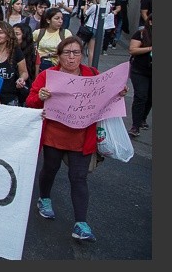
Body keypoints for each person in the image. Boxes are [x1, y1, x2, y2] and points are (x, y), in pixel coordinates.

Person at [26, 36, 127, 242]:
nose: (71, 58)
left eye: (76, 53)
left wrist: (119, 93)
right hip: (54, 135)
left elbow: (105, 96)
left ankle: (81, 223)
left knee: (78, 177)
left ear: (82, 55)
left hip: (82, 136)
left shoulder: (91, 74)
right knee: (50, 169)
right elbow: (30, 101)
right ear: (59, 56)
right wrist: (41, 97)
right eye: (67, 53)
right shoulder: (48, 75)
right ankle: (44, 198)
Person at [0, 21, 29, 106]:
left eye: (1, 32)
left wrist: (21, 79)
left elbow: (24, 72)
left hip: (10, 98)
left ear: (8, 36)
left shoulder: (15, 51)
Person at [127, 13, 152, 137]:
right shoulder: (141, 34)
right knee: (141, 96)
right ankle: (135, 126)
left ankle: (142, 119)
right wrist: (150, 48)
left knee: (151, 97)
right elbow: (132, 50)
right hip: (140, 71)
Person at [34, 7, 73, 76]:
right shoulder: (39, 32)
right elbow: (27, 44)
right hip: (40, 66)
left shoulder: (66, 33)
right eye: (57, 18)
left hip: (59, 67)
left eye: (62, 18)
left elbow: (70, 50)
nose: (60, 21)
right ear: (48, 20)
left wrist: (49, 54)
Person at [12, 22, 37, 105]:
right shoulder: (7, 51)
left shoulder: (34, 54)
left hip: (24, 91)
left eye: (17, 34)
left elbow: (35, 76)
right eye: (12, 33)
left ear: (25, 36)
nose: (13, 37)